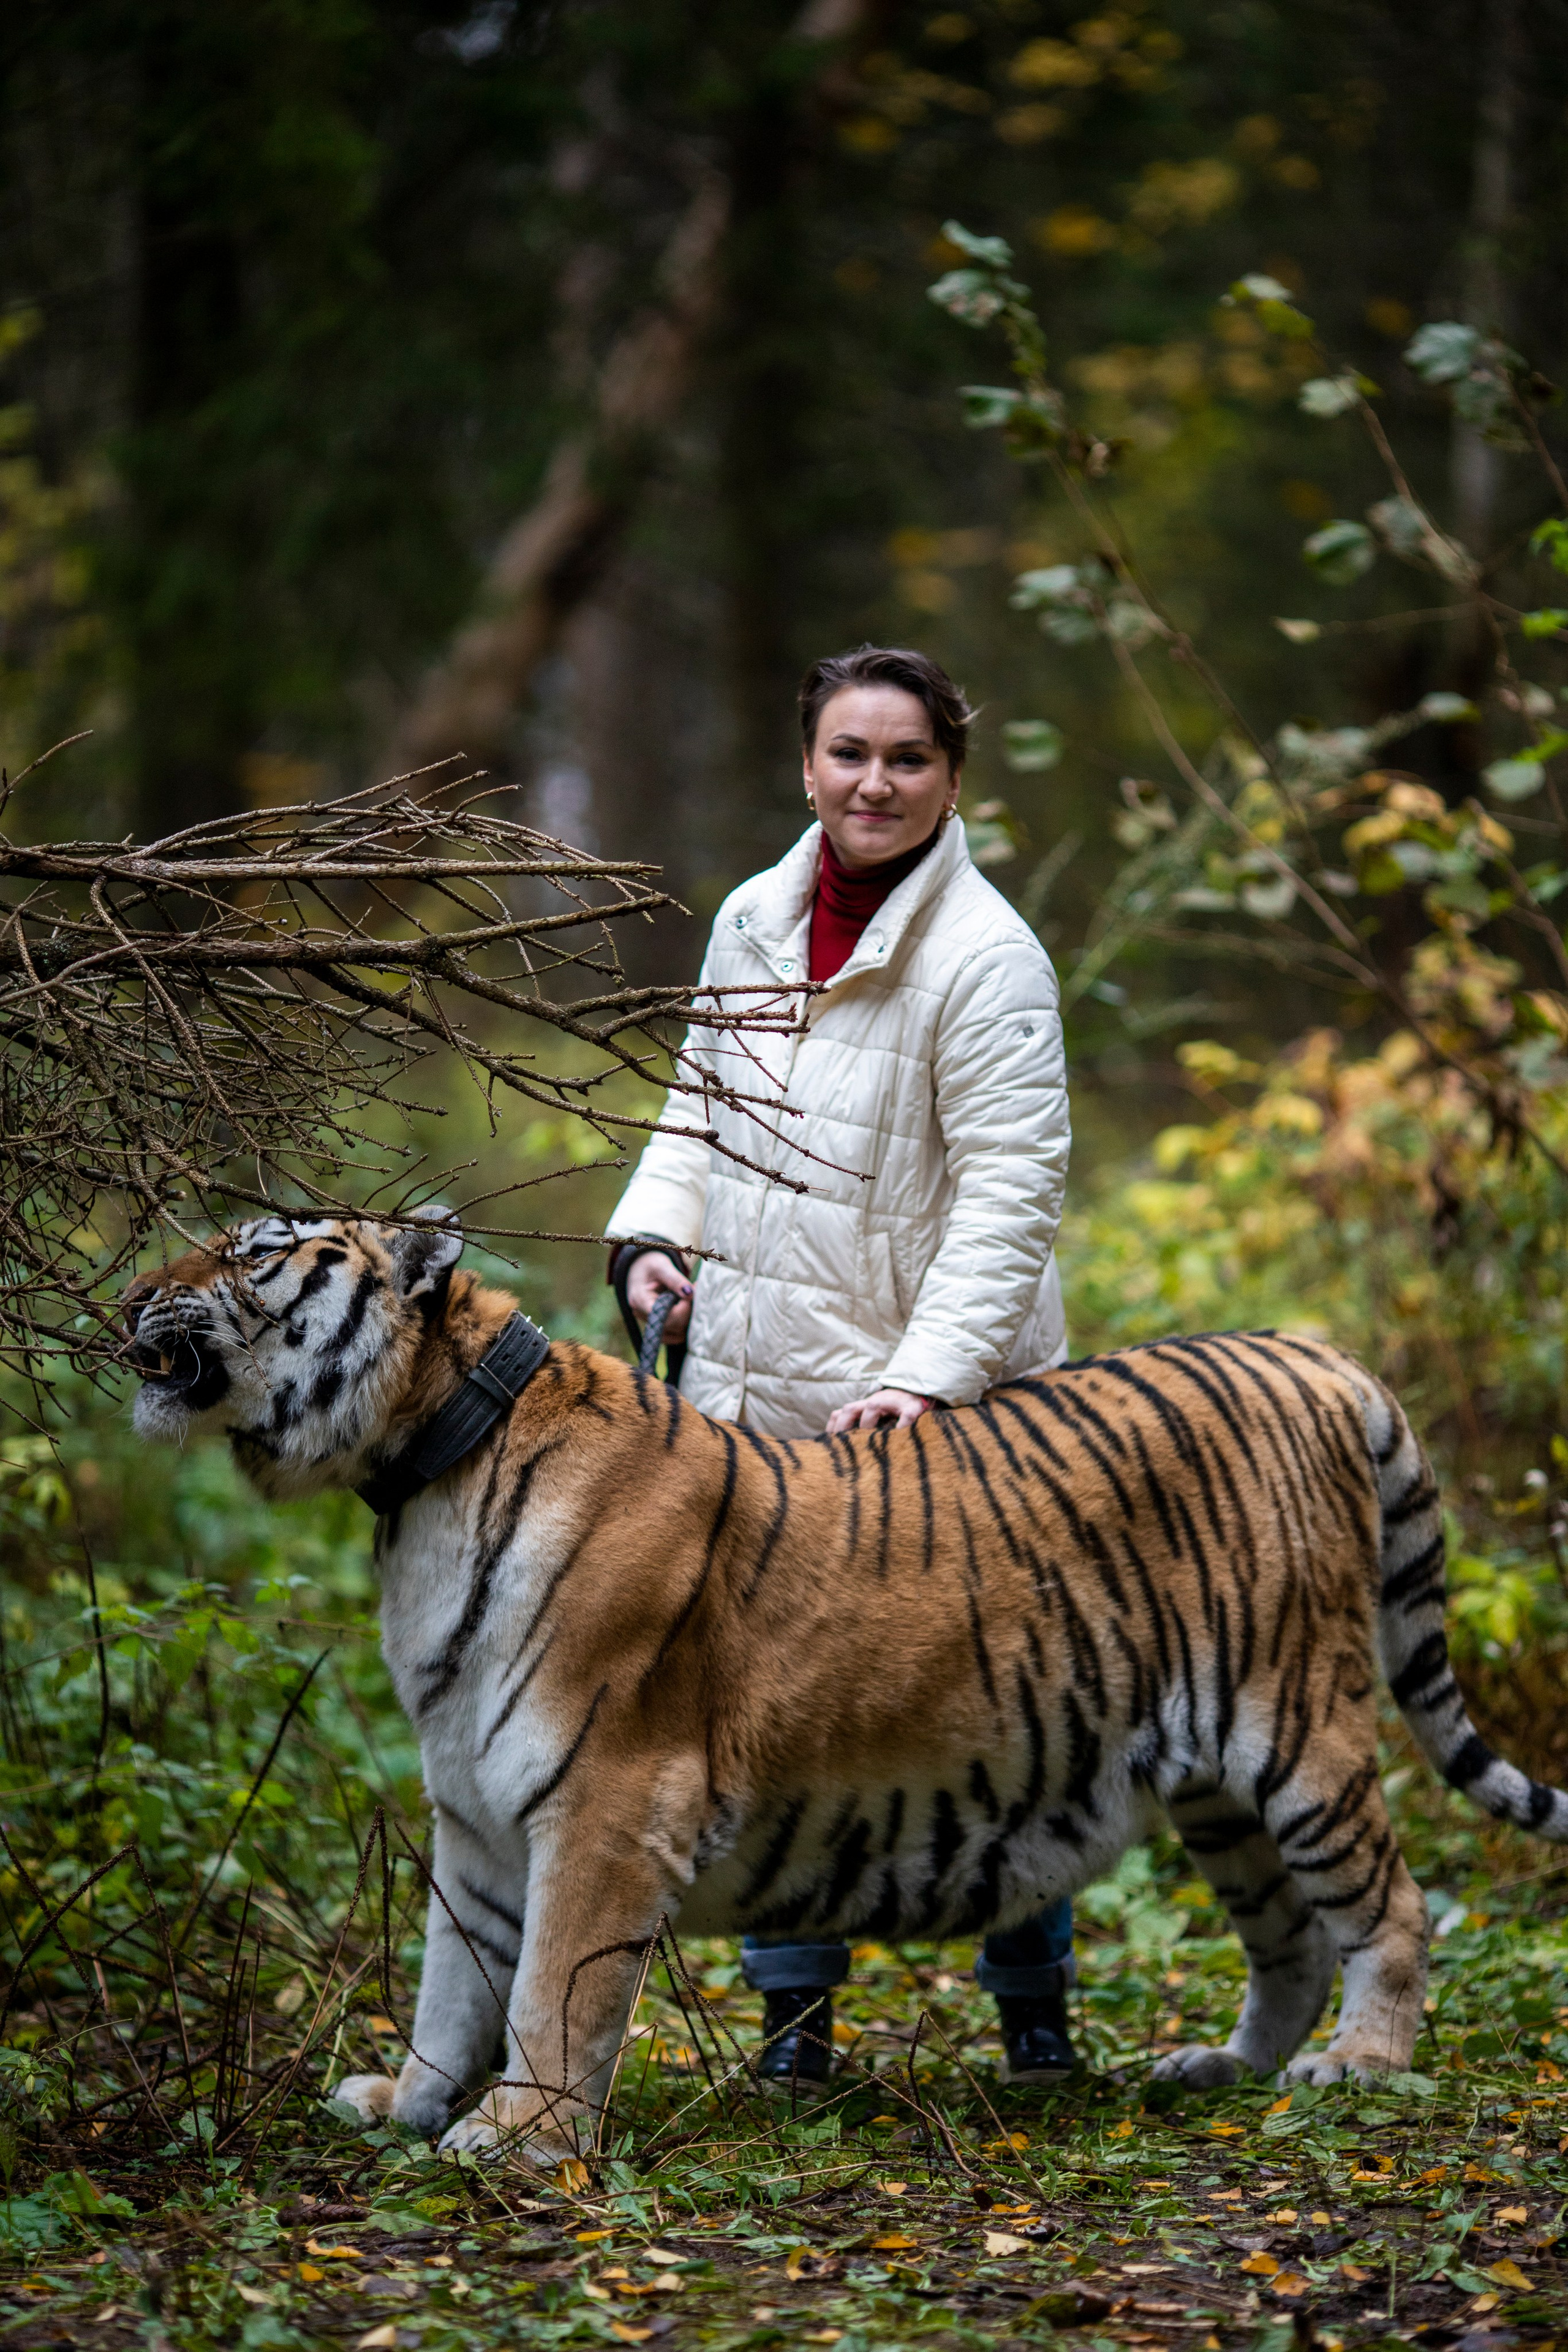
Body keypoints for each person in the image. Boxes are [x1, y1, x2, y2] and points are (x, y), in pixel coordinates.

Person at [604, 644, 1077, 2086]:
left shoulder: (985, 958)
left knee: (997, 1713)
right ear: (804, 765)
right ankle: (794, 2032)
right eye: (848, 754)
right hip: (755, 1404)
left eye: (906, 758)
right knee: (766, 1713)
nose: (874, 782)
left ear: (950, 776)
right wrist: (647, 1242)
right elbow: (697, 1110)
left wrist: (927, 1381)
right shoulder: (753, 914)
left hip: (942, 1416)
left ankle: (1034, 2027)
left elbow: (1010, 1199)